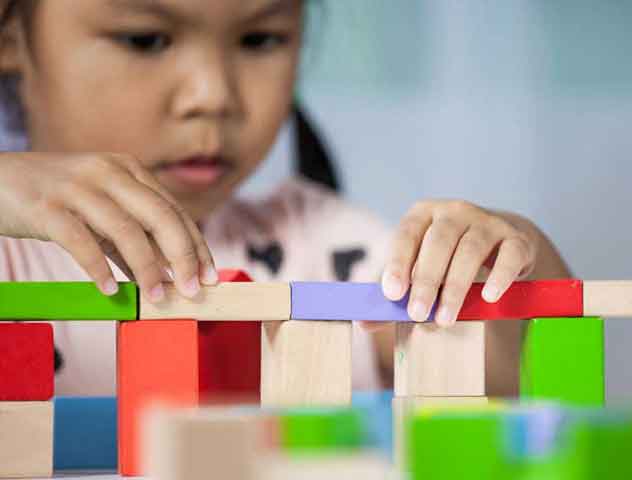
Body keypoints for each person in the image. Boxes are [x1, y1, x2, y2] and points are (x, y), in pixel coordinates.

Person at [0, 0, 570, 396]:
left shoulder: (331, 249)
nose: (212, 95)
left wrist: (510, 261)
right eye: (145, 39)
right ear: (11, 35)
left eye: (259, 39)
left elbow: (513, 385)